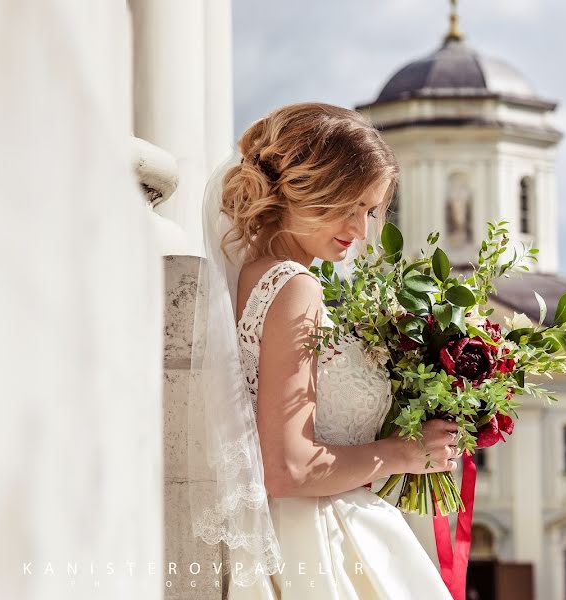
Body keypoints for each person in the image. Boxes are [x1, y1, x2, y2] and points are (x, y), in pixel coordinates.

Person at [188, 102, 459, 598]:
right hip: (321, 540)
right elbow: (289, 467)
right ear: (303, 186)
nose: (359, 230)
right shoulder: (295, 286)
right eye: (348, 205)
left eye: (372, 211)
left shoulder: (256, 273)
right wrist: (407, 452)